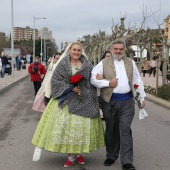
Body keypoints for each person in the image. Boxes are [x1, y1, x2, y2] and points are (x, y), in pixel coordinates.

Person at [31, 42, 105, 167]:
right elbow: (56, 80)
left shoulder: (87, 65)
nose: (76, 52)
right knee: (69, 129)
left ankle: (79, 152)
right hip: (66, 100)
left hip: (84, 101)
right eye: (74, 50)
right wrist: (70, 88)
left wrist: (98, 80)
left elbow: (91, 81)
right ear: (69, 50)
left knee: (81, 128)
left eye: (79, 50)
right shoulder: (62, 64)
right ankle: (71, 155)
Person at [91, 39, 146, 170]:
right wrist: (107, 83)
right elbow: (93, 79)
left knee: (125, 130)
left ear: (124, 50)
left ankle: (127, 161)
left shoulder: (130, 62)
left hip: (127, 102)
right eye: (116, 49)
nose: (118, 51)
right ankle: (111, 155)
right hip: (109, 102)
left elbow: (137, 80)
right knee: (111, 129)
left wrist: (141, 98)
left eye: (121, 49)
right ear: (111, 49)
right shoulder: (103, 63)